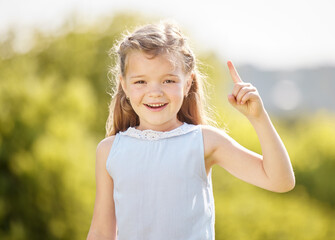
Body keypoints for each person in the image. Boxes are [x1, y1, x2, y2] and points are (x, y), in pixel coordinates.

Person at [87, 21, 295, 240]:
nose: (155, 92)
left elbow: (280, 181)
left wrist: (258, 118)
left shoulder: (204, 141)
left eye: (168, 80)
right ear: (124, 86)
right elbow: (101, 232)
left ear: (187, 84)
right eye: (141, 81)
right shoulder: (110, 150)